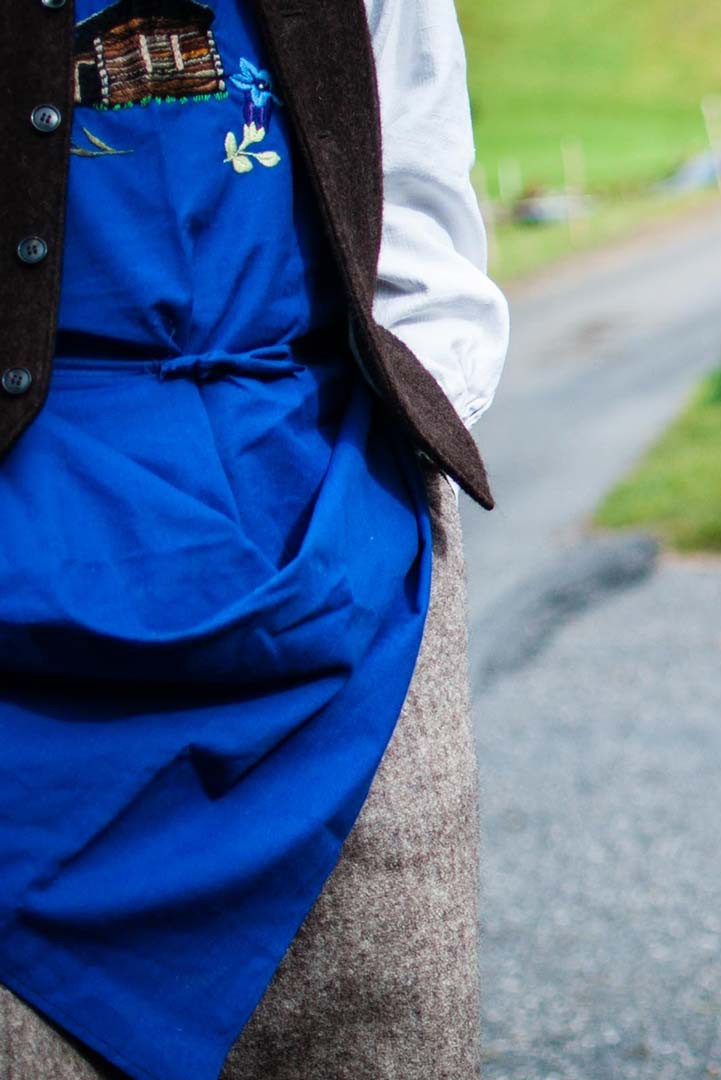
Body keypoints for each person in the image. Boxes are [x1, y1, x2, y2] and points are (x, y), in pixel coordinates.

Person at [0, 0, 506, 1077]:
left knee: (384, 1022)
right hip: (28, 552)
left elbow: (414, 204)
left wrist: (411, 428)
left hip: (331, 529)